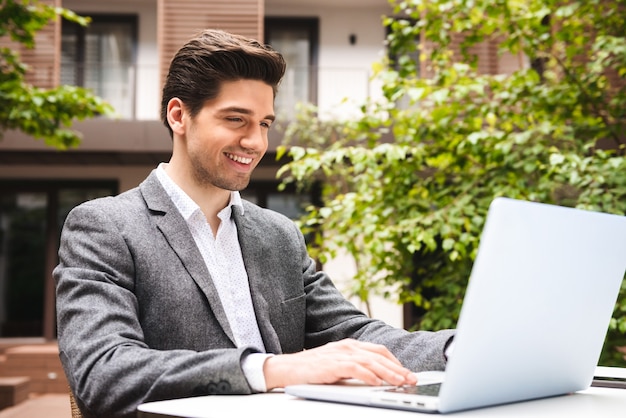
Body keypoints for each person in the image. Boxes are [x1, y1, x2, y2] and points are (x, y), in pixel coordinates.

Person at [54, 29, 455, 418]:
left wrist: (461, 349)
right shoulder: (105, 227)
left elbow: (355, 335)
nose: (256, 142)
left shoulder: (279, 234)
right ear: (179, 116)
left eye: (264, 123)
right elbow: (103, 373)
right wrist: (272, 369)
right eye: (236, 119)